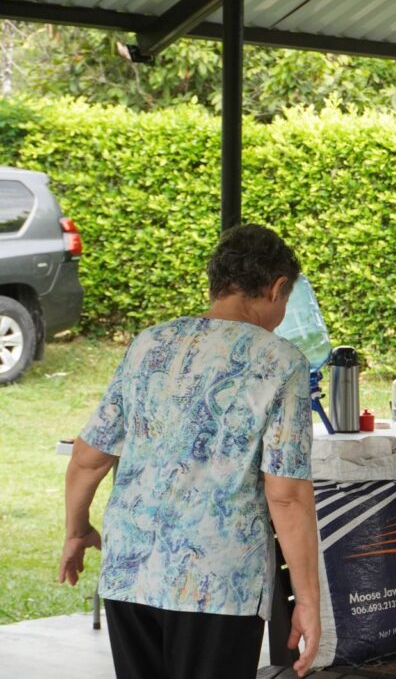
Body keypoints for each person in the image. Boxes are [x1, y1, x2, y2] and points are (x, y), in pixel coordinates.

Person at [59, 225, 321, 679]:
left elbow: (89, 456)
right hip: (219, 582)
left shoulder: (149, 345)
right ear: (278, 288)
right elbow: (286, 495)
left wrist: (76, 530)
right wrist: (308, 602)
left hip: (131, 573)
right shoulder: (281, 361)